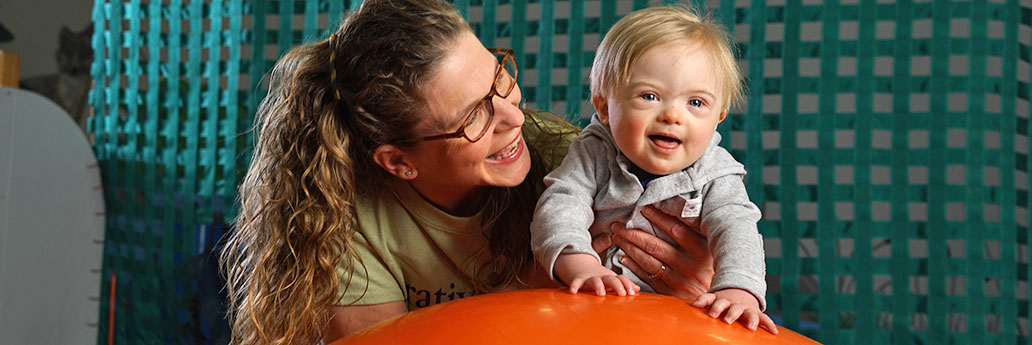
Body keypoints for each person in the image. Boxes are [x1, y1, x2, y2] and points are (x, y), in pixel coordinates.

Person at [219, 1, 718, 344]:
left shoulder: (573, 160)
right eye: (473, 116)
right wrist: (529, 289)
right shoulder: (343, 220)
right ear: (399, 161)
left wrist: (691, 295)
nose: (514, 116)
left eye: (500, 77)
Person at [529, 6, 777, 334]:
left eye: (696, 103)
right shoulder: (593, 151)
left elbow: (737, 229)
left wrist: (738, 290)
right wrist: (579, 264)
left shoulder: (716, 174)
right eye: (649, 96)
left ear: (719, 115)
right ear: (604, 106)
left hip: (676, 321)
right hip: (593, 309)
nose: (673, 116)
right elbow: (562, 202)